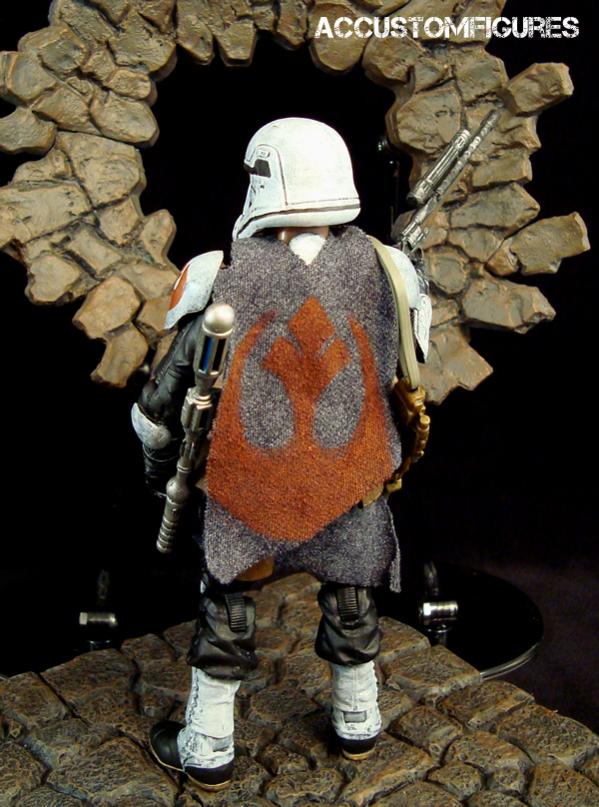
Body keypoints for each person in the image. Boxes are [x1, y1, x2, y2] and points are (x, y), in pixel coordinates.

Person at [131, 117, 431, 791]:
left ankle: (207, 745)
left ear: (263, 180)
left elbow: (161, 404)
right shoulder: (393, 271)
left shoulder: (216, 277)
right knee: (351, 592)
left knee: (227, 605)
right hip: (349, 479)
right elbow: (413, 373)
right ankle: (358, 720)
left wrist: (159, 472)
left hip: (248, 486)